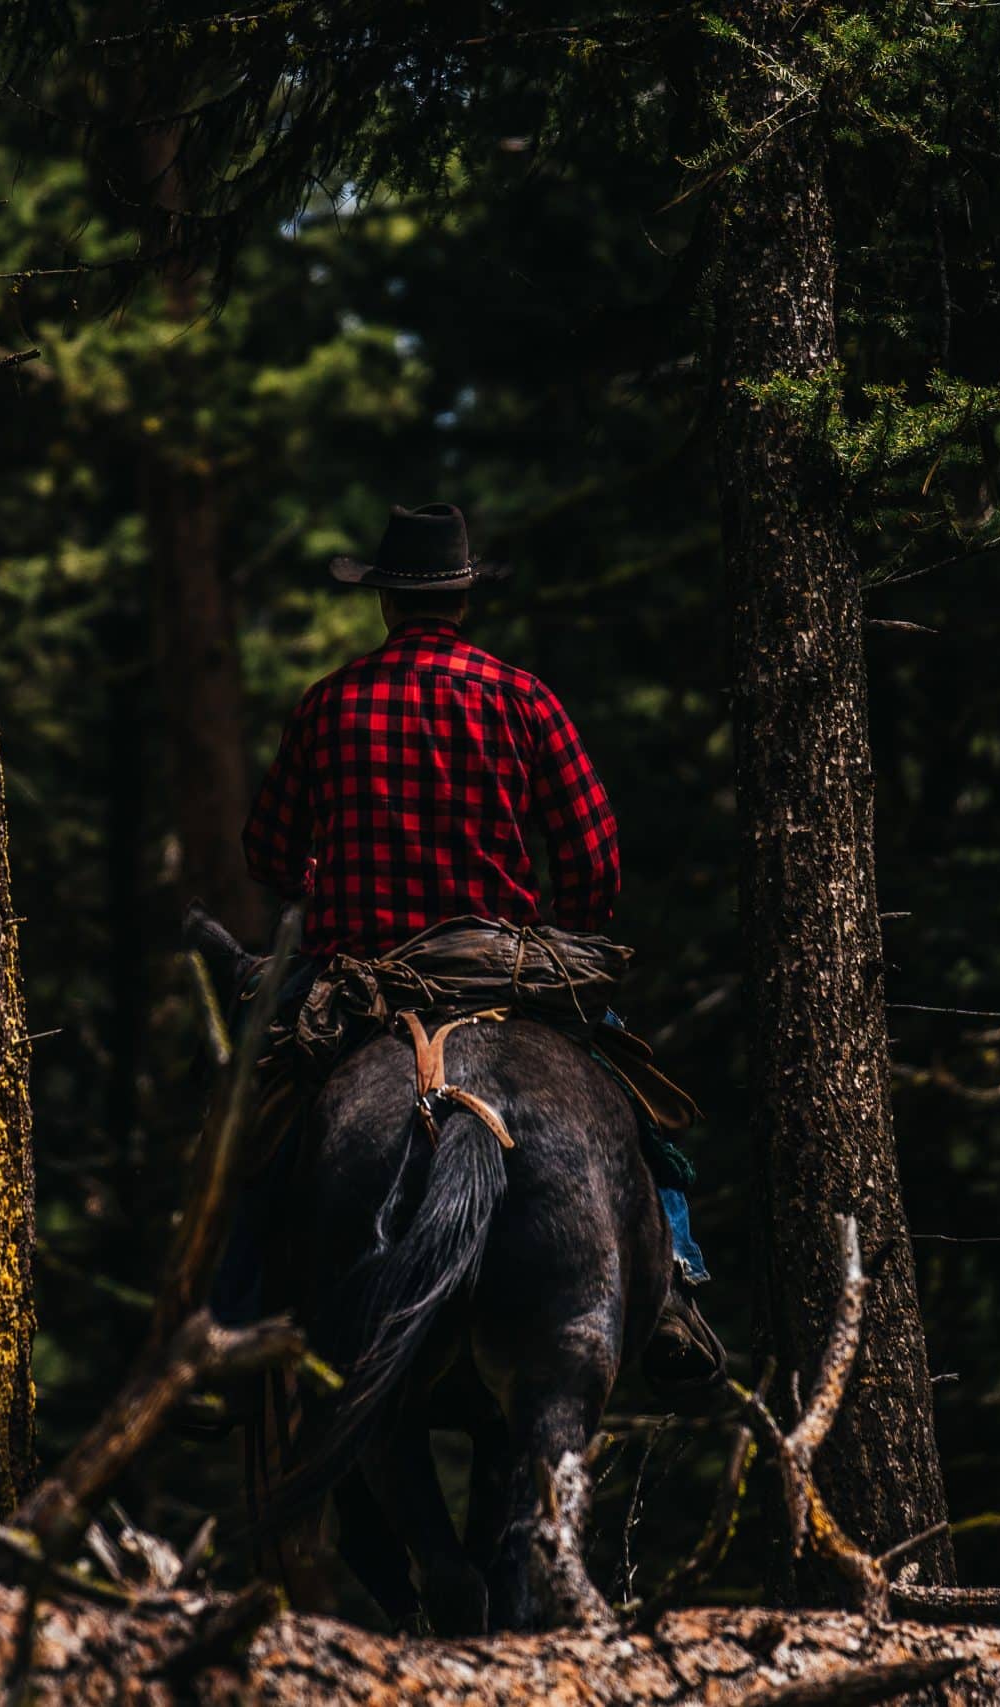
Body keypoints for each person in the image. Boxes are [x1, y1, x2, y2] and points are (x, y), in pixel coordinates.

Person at [232, 501, 722, 1388]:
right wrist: (562, 927)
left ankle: (230, 1316)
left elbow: (268, 851)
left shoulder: (328, 702)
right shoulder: (523, 697)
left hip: (364, 978)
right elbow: (594, 855)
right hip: (502, 962)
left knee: (256, 1116)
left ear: (384, 602)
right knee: (630, 1096)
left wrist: (319, 874)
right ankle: (680, 1286)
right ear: (462, 598)